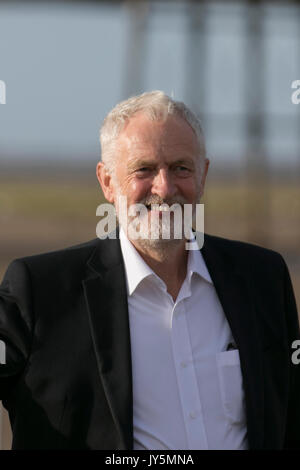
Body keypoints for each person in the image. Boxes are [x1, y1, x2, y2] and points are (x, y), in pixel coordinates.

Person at [0, 91, 299, 450]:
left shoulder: (261, 279)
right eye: (144, 169)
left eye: (181, 168)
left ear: (202, 176)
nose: (165, 188)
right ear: (107, 182)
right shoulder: (42, 292)